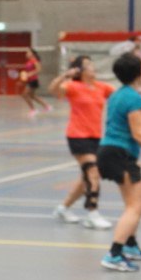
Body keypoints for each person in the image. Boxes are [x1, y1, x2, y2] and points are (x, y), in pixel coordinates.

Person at [96, 53, 141, 272]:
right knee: (134, 205)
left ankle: (130, 245)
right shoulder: (134, 99)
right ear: (139, 73)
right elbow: (138, 134)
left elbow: (127, 129)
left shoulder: (118, 95)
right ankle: (114, 254)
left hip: (111, 150)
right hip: (119, 154)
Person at [49, 56, 113, 229]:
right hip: (77, 136)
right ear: (80, 71)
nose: (92, 67)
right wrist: (65, 75)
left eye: (92, 64)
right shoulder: (72, 86)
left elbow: (119, 96)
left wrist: (140, 91)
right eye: (88, 65)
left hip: (96, 137)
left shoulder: (101, 87)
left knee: (87, 177)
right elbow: (53, 90)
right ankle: (92, 213)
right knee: (92, 172)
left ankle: (63, 208)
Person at [19, 47, 51, 118]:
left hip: (33, 80)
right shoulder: (29, 61)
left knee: (24, 94)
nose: (26, 54)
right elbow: (27, 72)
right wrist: (23, 79)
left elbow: (39, 69)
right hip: (29, 80)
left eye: (28, 52)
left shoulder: (34, 60)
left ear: (32, 53)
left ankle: (33, 110)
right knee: (32, 96)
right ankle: (47, 106)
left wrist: (30, 74)